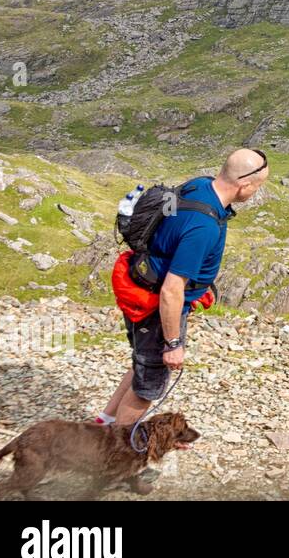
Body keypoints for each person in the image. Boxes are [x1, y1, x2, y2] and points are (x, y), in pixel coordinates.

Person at [96, 149, 270, 425]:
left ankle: (103, 423)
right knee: (148, 386)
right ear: (244, 185)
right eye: (258, 186)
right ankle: (113, 457)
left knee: (144, 363)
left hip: (139, 283)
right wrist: (173, 343)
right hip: (157, 307)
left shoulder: (199, 185)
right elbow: (171, 290)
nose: (256, 192)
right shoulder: (204, 227)